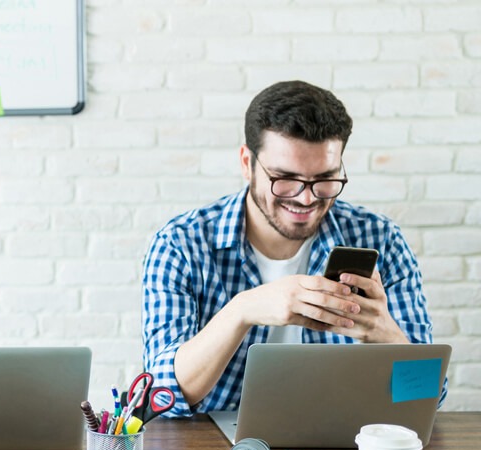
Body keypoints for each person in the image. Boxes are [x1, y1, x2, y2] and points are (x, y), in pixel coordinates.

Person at [141, 80, 434, 418]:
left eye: (324, 178)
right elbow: (162, 395)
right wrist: (242, 310)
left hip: (345, 443)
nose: (305, 197)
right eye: (285, 177)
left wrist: (386, 336)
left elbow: (427, 397)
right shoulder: (181, 244)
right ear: (245, 162)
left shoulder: (379, 240)